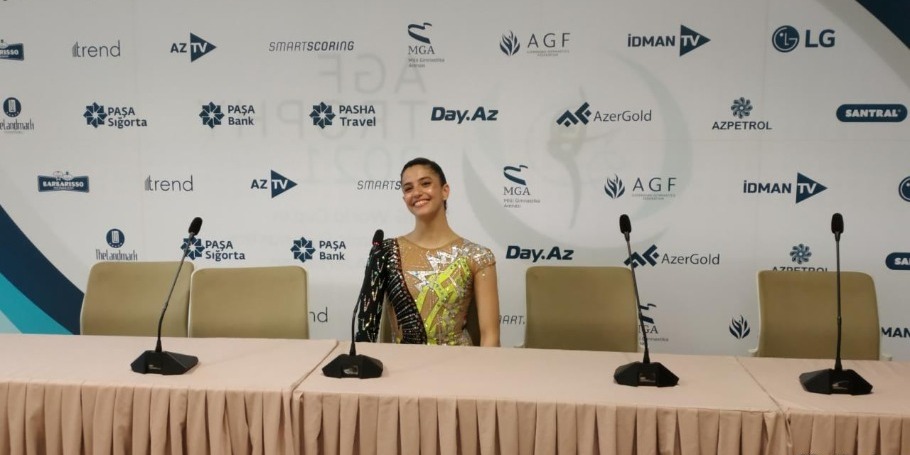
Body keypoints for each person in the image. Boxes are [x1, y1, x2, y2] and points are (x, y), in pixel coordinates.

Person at [356, 157, 501, 347]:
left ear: (445, 191)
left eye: (425, 183)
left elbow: (491, 337)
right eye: (408, 188)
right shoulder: (385, 251)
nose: (417, 193)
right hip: (401, 362)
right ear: (404, 198)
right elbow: (366, 333)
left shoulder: (478, 256)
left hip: (459, 361)